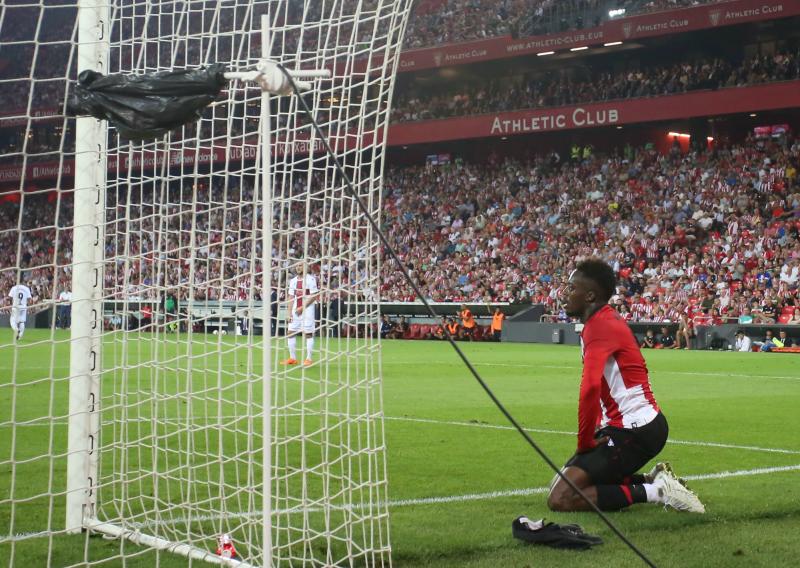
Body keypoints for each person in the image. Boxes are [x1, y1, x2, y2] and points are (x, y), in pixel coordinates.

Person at [547, 259, 704, 514]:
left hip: (635, 428)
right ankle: (652, 480)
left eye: (571, 288)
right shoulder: (601, 321)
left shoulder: (599, 326)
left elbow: (590, 388)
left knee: (561, 498)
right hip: (634, 425)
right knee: (561, 483)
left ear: (590, 296)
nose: (564, 293)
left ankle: (659, 491)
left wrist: (585, 440)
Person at [281, 265, 319, 366]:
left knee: (308, 334)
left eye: (301, 265)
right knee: (290, 332)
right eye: (297, 266)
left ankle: (309, 359)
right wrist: (289, 312)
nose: (298, 267)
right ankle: (292, 358)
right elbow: (291, 297)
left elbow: (314, 296)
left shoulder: (311, 279)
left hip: (308, 311)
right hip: (295, 311)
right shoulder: (293, 281)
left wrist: (302, 308)